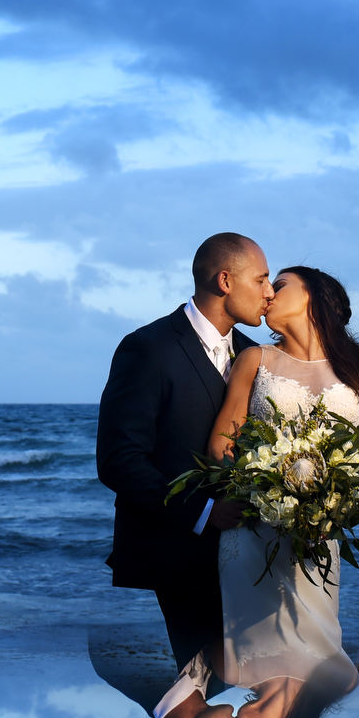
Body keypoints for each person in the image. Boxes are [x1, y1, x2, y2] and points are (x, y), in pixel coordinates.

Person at [204, 265, 359, 718]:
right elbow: (222, 443)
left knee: (313, 615)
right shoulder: (254, 360)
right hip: (253, 531)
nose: (266, 293)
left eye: (277, 284)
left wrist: (331, 509)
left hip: (316, 536)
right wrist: (264, 486)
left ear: (313, 297)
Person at [96, 233, 275, 670]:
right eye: (262, 279)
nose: (270, 293)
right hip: (178, 551)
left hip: (250, 555)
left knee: (250, 683)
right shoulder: (148, 348)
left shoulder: (254, 357)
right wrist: (202, 512)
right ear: (225, 280)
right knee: (204, 687)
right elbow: (118, 459)